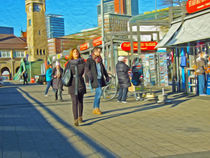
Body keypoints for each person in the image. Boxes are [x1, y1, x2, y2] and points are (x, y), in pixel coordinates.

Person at [65, 48, 86, 126]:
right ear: (72, 54)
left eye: (77, 51)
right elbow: (66, 73)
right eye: (74, 52)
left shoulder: (82, 61)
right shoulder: (69, 63)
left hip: (80, 82)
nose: (76, 53)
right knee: (74, 102)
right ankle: (75, 119)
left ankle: (80, 116)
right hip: (72, 83)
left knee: (80, 101)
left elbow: (86, 70)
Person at [85, 46, 109, 115]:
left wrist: (106, 76)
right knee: (99, 92)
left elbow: (103, 69)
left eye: (100, 51)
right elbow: (86, 70)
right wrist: (87, 79)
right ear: (94, 52)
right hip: (95, 79)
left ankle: (95, 108)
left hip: (100, 78)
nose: (99, 52)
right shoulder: (90, 60)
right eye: (98, 51)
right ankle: (96, 108)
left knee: (98, 93)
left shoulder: (99, 60)